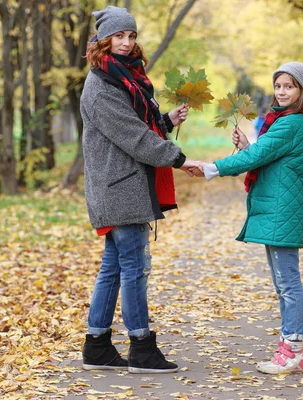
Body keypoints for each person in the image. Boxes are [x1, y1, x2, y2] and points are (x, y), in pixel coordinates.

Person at [80, 6, 202, 374]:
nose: (127, 42)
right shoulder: (101, 86)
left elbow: (137, 125)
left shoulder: (124, 79)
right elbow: (133, 137)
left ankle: (97, 346)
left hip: (122, 185)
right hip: (119, 188)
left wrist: (165, 121)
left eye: (131, 36)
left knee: (114, 267)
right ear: (104, 41)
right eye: (119, 36)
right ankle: (142, 350)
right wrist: (179, 159)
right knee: (134, 267)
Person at [201, 62, 303, 374]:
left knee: (288, 282)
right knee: (284, 282)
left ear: (302, 92)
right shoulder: (287, 123)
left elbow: (257, 157)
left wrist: (211, 168)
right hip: (279, 210)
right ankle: (290, 349)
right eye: (279, 85)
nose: (281, 91)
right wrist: (249, 145)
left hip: (282, 211)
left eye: (289, 86)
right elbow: (264, 154)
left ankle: (294, 350)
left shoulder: (290, 124)